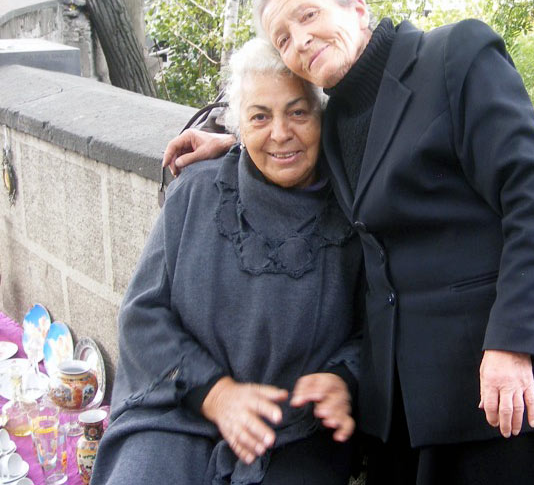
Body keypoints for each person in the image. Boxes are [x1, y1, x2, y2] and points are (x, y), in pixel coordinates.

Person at [164, 0, 534, 485]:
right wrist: (238, 142)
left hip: (487, 380)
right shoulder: (335, 120)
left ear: (358, 9)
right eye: (284, 38)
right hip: (397, 405)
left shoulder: (454, 56)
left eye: (308, 15)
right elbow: (301, 156)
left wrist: (513, 343)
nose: (300, 41)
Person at [93, 38, 363, 485]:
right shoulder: (197, 194)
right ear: (239, 125)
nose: (280, 133)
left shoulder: (352, 211)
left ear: (323, 117)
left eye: (298, 112)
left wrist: (342, 380)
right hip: (176, 412)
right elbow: (142, 316)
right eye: (260, 116)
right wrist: (216, 395)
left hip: (293, 431)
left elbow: (370, 329)